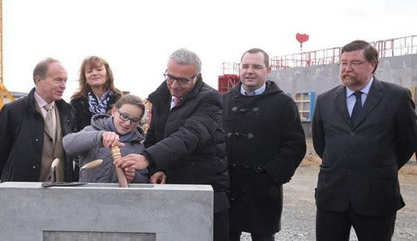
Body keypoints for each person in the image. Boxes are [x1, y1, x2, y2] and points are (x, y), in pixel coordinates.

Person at [114, 48, 230, 241]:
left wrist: (148, 158)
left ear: (197, 77)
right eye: (170, 77)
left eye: (183, 80)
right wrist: (157, 168)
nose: (174, 85)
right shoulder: (162, 97)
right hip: (170, 186)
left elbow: (190, 135)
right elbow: (154, 137)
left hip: (204, 188)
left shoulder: (210, 99)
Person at [312, 40, 417, 241]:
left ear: (373, 65)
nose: (347, 68)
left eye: (355, 63)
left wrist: (380, 166)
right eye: (343, 63)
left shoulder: (396, 97)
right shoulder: (325, 100)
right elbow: (321, 143)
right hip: (332, 194)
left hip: (376, 195)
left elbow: (408, 142)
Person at [222, 48, 306, 241]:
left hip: (262, 190)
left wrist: (271, 176)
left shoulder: (284, 104)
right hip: (228, 187)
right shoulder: (224, 101)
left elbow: (294, 146)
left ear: (268, 70)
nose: (250, 71)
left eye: (257, 66)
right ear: (239, 69)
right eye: (245, 66)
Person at [0, 58, 76, 182]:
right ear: (38, 80)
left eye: (65, 80)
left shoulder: (68, 112)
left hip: (61, 194)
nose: (63, 86)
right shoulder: (13, 111)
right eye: (58, 80)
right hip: (25, 195)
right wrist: (13, 182)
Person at [63, 94, 149, 183]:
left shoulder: (138, 147)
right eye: (124, 116)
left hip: (120, 196)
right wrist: (100, 137)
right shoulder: (92, 130)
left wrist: (134, 177)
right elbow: (67, 144)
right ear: (114, 111)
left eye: (134, 120)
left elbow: (145, 181)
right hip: (89, 194)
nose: (127, 123)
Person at [71, 56, 122, 132]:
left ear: (107, 74)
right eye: (89, 71)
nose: (94, 73)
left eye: (99, 69)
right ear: (85, 78)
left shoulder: (120, 100)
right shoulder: (76, 103)